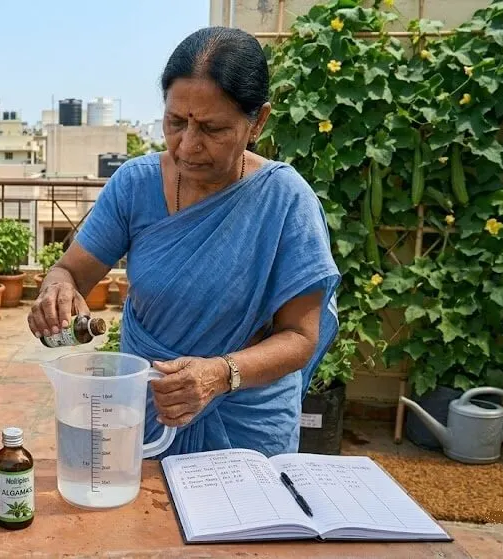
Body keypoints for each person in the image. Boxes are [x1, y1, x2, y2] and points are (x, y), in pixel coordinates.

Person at [27, 27, 341, 458]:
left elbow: (301, 337)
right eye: (175, 123)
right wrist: (57, 289)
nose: (188, 146)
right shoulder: (135, 186)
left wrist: (219, 374)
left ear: (258, 121)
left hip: (245, 427)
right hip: (148, 413)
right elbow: (71, 271)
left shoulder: (285, 201)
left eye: (212, 129)